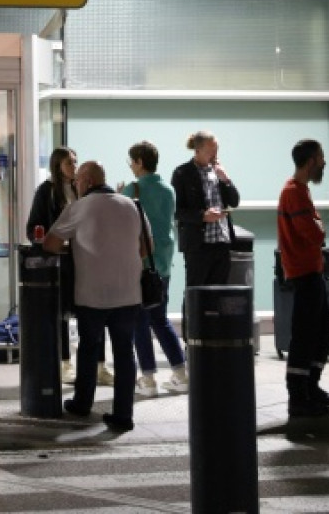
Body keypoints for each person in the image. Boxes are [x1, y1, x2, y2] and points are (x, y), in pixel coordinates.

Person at [45, 160, 147, 433]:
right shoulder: (130, 204)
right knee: (125, 352)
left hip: (93, 294)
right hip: (128, 293)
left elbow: (50, 243)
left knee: (89, 348)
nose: (75, 185)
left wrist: (78, 243)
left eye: (77, 180)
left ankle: (82, 403)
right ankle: (123, 415)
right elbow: (145, 248)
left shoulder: (79, 207)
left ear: (87, 182)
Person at [278, 139, 329, 417]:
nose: (324, 162)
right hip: (304, 272)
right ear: (310, 161)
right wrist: (319, 228)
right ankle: (298, 396)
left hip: (311, 271)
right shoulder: (295, 192)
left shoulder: (300, 190)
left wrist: (318, 227)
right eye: (321, 157)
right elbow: (314, 233)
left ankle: (311, 387)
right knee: (305, 335)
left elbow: (315, 230)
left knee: (322, 332)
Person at [122, 141, 187, 397]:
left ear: (139, 162)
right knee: (160, 318)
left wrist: (121, 194)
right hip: (162, 262)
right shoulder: (168, 189)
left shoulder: (132, 189)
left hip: (140, 262)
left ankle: (147, 379)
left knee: (140, 320)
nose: (131, 167)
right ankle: (181, 373)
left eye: (132, 162)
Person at [26, 147, 89, 385]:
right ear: (57, 166)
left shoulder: (81, 189)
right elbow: (34, 227)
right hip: (61, 258)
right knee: (61, 312)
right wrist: (48, 243)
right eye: (69, 163)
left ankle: (96, 364)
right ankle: (65, 362)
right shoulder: (46, 191)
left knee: (87, 310)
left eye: (76, 161)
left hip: (83, 257)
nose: (74, 167)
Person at [171, 130, 240, 340]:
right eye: (212, 149)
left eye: (217, 149)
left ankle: (214, 337)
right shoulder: (182, 173)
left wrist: (226, 180)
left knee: (219, 293)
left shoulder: (218, 172)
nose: (215, 153)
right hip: (198, 245)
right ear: (198, 150)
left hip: (222, 241)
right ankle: (191, 339)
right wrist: (202, 216)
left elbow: (235, 201)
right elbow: (178, 211)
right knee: (195, 292)